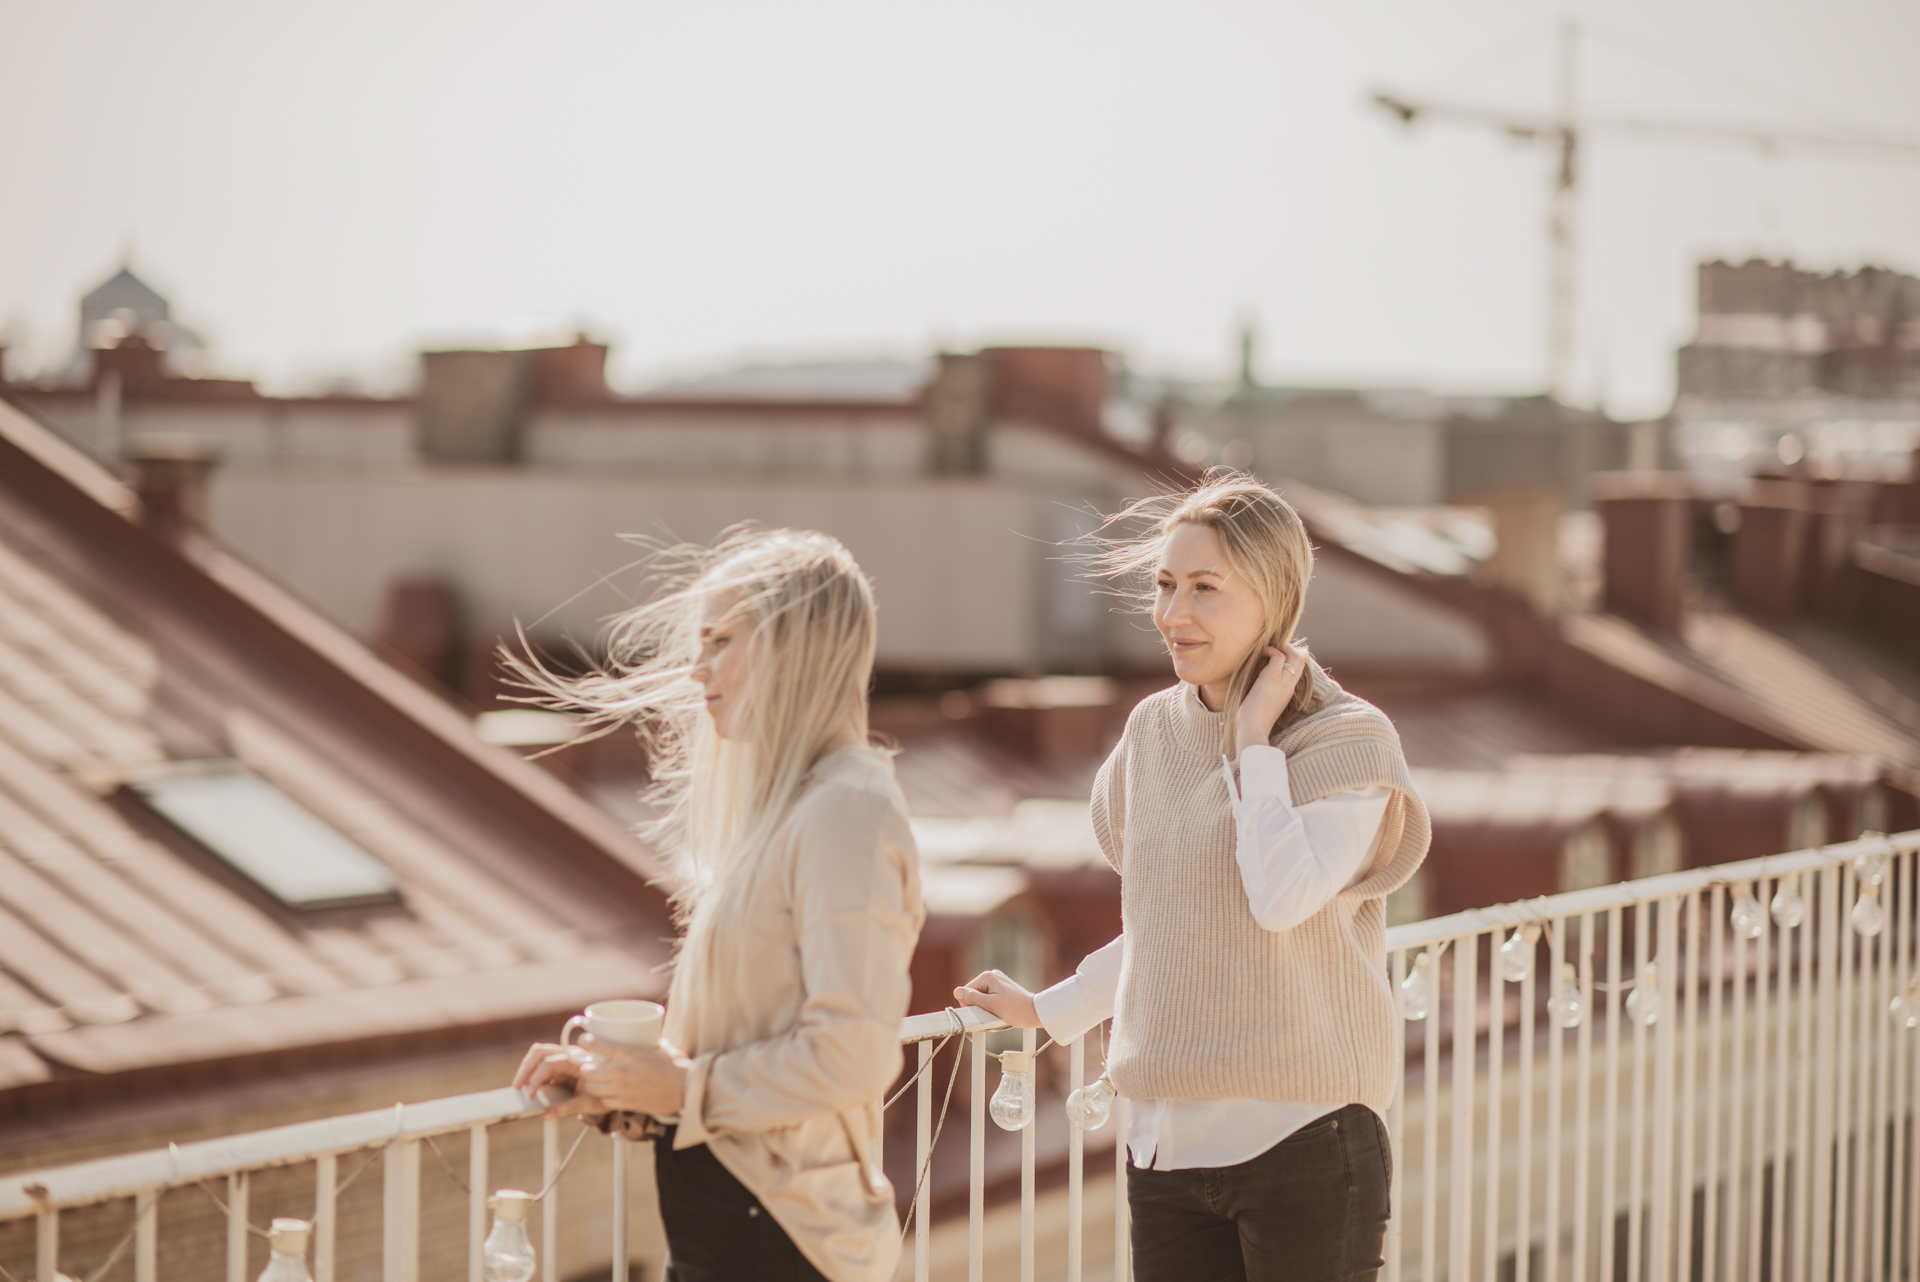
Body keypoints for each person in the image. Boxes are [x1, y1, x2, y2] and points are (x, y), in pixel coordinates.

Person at [954, 473, 1430, 1282]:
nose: (1174, 614)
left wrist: (1252, 743)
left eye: (1205, 588)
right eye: (1166, 585)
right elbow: (1173, 921)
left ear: (1274, 597)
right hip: (1164, 1146)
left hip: (1306, 1137)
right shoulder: (1151, 732)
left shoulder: (1346, 741)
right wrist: (1049, 1010)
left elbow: (1279, 900)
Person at [512, 529, 924, 1282]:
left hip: (784, 1241)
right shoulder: (795, 811)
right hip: (730, 1231)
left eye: (720, 641)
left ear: (795, 648)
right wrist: (637, 1089)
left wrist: (682, 1088)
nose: (695, 669)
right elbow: (753, 1038)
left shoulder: (846, 813)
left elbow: (855, 1054)